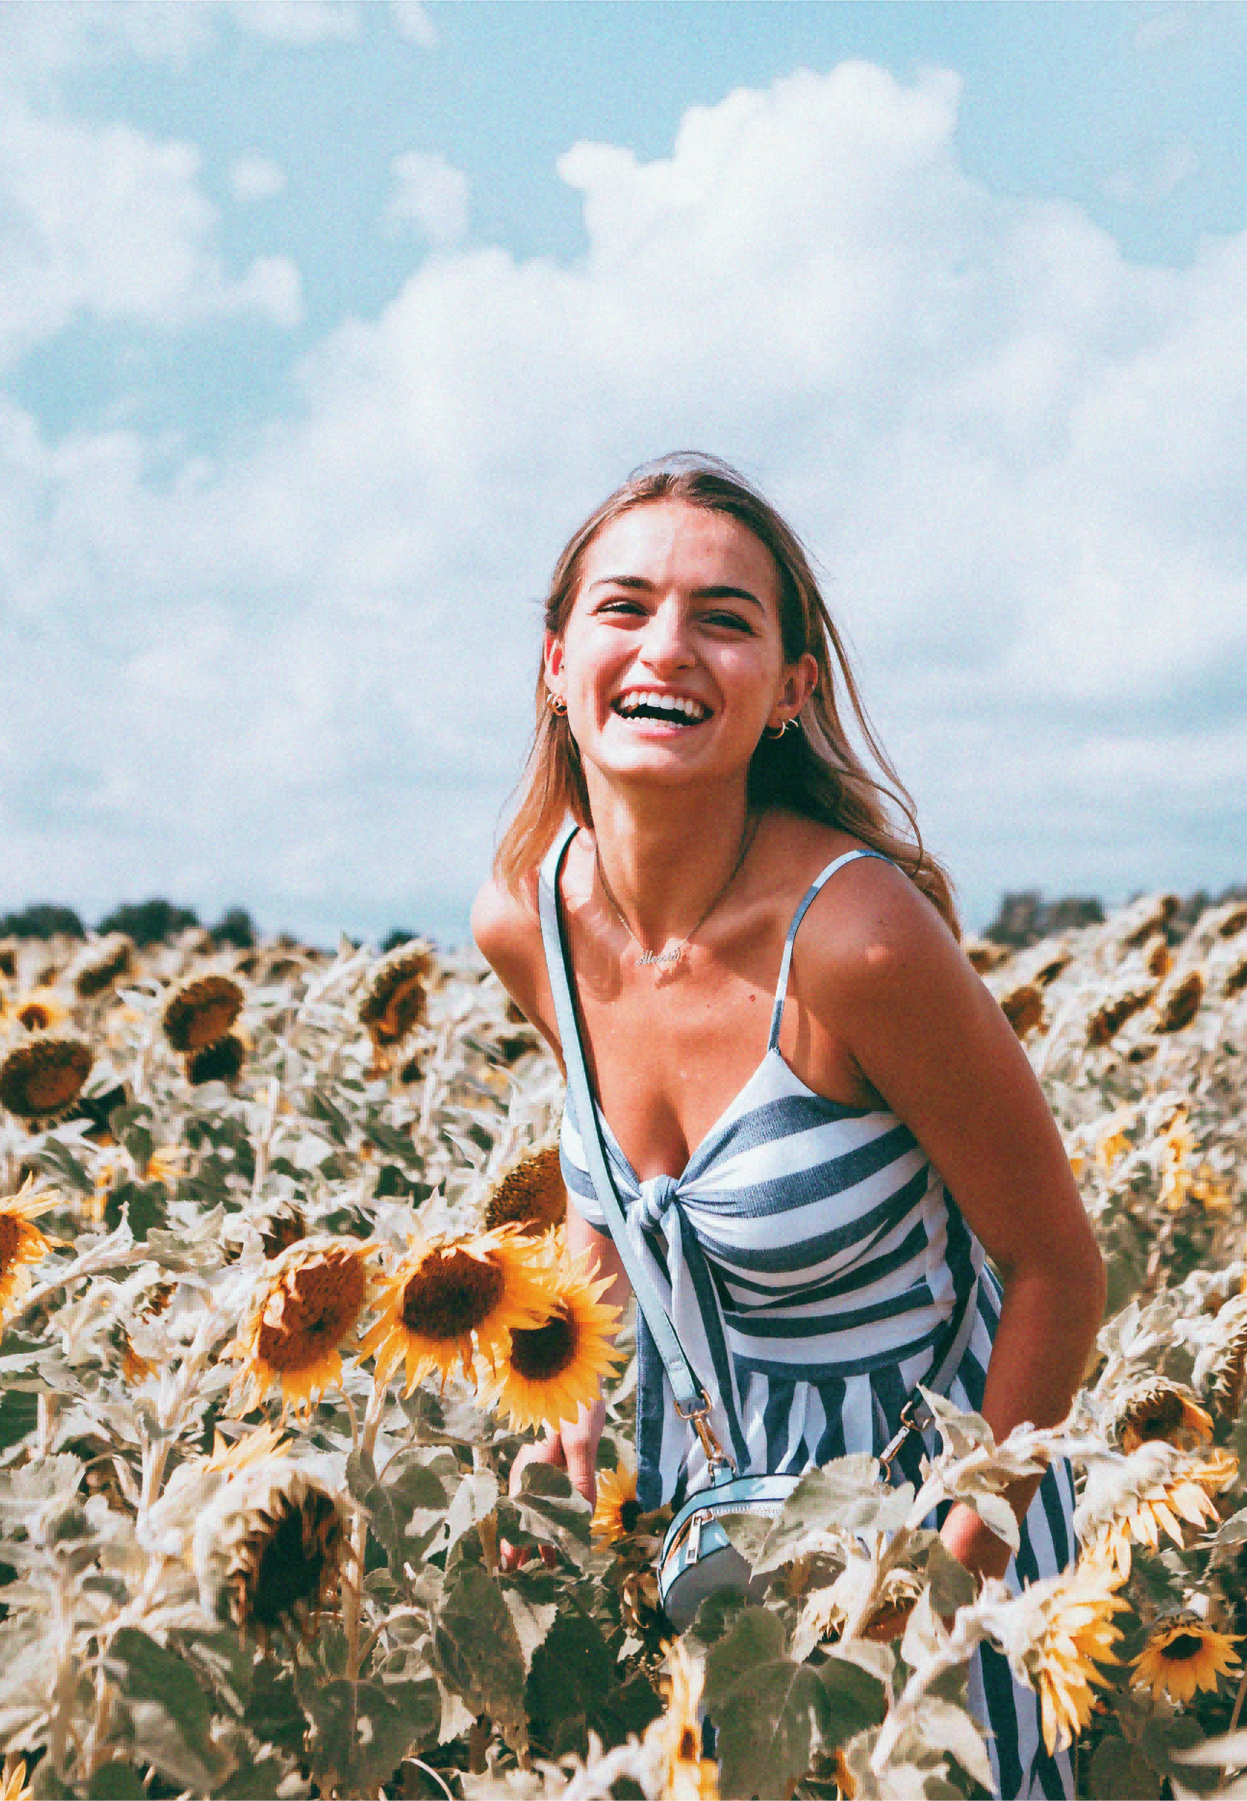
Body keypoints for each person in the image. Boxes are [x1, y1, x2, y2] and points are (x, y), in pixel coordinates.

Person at [471, 453, 1105, 1801]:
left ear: (790, 690)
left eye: (724, 618)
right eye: (624, 607)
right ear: (553, 661)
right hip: (687, 1533)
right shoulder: (527, 920)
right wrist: (561, 1386)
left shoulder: (860, 941)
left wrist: (943, 1586)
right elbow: (618, 1193)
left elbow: (1056, 1267)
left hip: (919, 1535)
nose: (667, 649)